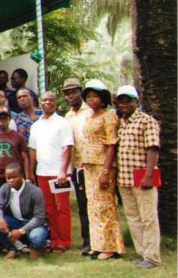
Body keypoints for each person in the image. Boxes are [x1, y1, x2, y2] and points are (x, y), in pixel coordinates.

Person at [114, 85, 162, 269]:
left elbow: (153, 148)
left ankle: (152, 257)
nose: (125, 104)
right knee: (133, 217)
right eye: (122, 101)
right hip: (125, 177)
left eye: (129, 100)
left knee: (148, 218)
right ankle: (142, 253)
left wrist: (149, 175)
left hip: (143, 175)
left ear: (138, 101)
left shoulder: (146, 121)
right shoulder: (122, 122)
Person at [79, 80, 124, 260]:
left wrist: (105, 171)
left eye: (94, 96)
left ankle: (111, 247)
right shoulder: (90, 117)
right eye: (88, 97)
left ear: (102, 98)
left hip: (102, 167)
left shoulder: (109, 116)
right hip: (89, 166)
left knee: (105, 206)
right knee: (93, 207)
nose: (91, 100)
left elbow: (112, 144)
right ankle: (97, 244)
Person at [28, 92, 73, 253]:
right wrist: (31, 172)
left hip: (59, 173)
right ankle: (54, 239)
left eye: (51, 100)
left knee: (62, 207)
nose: (48, 102)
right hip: (42, 172)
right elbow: (32, 150)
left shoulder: (62, 123)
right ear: (39, 103)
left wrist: (62, 171)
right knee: (49, 208)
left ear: (56, 103)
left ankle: (64, 241)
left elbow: (67, 147)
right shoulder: (36, 126)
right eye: (44, 100)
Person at [0, 163, 48, 259]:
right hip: (16, 221)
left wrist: (21, 231)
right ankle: (12, 249)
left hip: (33, 223)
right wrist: (1, 220)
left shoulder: (35, 191)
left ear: (21, 176)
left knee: (37, 237)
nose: (11, 180)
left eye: (14, 177)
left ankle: (36, 247)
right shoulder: (5, 188)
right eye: (8, 178)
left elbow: (39, 217)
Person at [62, 78, 92, 253]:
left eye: (73, 91)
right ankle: (87, 239)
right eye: (67, 93)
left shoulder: (90, 111)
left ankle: (99, 240)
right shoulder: (68, 116)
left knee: (95, 204)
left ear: (81, 92)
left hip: (91, 165)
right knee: (82, 205)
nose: (70, 95)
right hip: (76, 166)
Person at [0, 106, 29, 189]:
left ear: (9, 119)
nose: (2, 120)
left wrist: (28, 177)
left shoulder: (18, 137)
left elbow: (25, 158)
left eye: (5, 118)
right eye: (0, 118)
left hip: (15, 175)